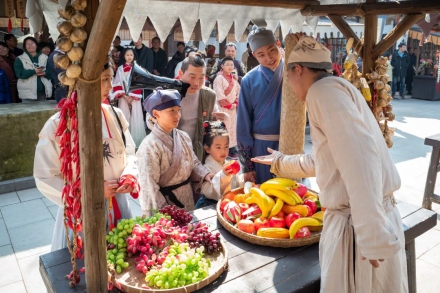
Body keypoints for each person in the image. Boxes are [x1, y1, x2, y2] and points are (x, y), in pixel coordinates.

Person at [252, 34, 407, 292]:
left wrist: (371, 234)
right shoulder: (336, 89)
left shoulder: (322, 93)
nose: (290, 84)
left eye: (289, 76)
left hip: (358, 230)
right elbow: (328, 160)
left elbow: (360, 157)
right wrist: (280, 162)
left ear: (298, 70)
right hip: (367, 221)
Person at [34, 59, 140, 251]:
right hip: (81, 208)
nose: (110, 86)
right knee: (86, 265)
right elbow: (45, 176)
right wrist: (90, 192)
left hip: (118, 201)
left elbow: (130, 152)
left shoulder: (116, 115)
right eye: (104, 80)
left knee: (123, 260)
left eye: (110, 79)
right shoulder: (58, 124)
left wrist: (130, 174)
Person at [136, 88, 212, 215]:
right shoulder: (149, 146)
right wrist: (164, 213)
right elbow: (149, 187)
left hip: (187, 197)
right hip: (165, 204)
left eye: (178, 110)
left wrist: (205, 174)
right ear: (156, 113)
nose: (177, 115)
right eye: (171, 111)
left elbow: (192, 161)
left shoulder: (183, 136)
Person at [236, 26, 283, 184]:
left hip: (289, 145)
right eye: (261, 55)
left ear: (278, 44)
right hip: (260, 148)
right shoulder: (248, 80)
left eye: (271, 50)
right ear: (254, 55)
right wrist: (248, 166)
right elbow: (243, 122)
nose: (269, 58)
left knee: (292, 197)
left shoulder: (293, 73)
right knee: (264, 196)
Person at [196, 121, 243, 208]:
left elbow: (235, 183)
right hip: (210, 205)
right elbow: (209, 191)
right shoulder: (206, 169)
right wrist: (223, 175)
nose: (223, 151)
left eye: (226, 146)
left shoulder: (227, 163)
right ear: (207, 149)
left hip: (227, 203)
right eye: (218, 147)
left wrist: (244, 180)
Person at [111, 48, 146, 147]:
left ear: (134, 56)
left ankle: (137, 141)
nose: (129, 57)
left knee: (136, 117)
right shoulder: (120, 68)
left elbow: (140, 83)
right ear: (124, 56)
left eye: (131, 55)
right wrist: (125, 95)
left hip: (134, 98)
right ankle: (125, 141)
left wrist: (132, 96)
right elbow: (117, 82)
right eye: (127, 55)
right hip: (123, 97)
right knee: (124, 116)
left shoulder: (138, 68)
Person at [213, 56, 240, 158]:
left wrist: (235, 103)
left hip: (232, 109)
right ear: (222, 66)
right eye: (227, 64)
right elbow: (218, 93)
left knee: (232, 128)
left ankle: (232, 148)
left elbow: (238, 91)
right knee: (224, 128)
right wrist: (228, 104)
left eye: (231, 65)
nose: (230, 66)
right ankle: (223, 150)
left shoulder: (234, 79)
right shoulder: (219, 78)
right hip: (223, 109)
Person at [14, 37, 52, 102]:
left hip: (43, 92)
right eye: (27, 44)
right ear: (24, 46)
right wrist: (33, 71)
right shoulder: (19, 59)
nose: (30, 46)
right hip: (27, 94)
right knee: (28, 112)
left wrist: (45, 73)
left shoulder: (45, 57)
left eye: (32, 43)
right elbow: (19, 74)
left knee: (42, 111)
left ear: (36, 45)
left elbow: (51, 71)